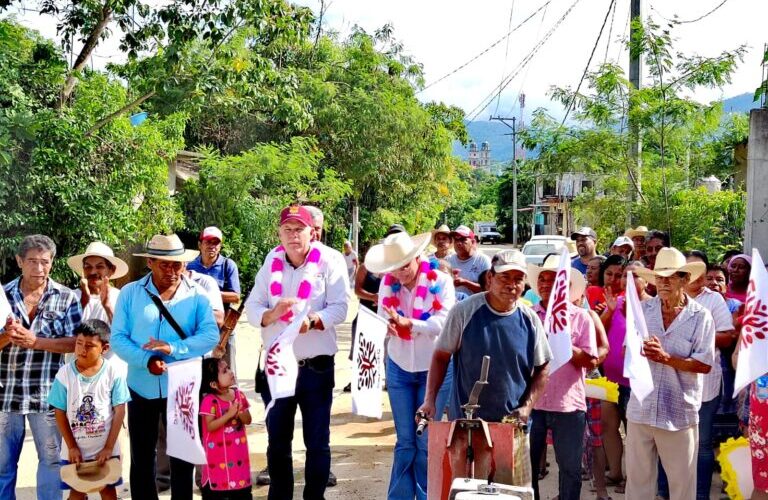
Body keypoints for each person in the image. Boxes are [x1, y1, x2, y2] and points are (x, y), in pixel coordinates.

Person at [419, 249, 553, 487]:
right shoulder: (464, 312)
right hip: (467, 426)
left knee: (512, 491)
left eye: (518, 279)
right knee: (466, 491)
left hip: (512, 426)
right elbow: (440, 357)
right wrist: (430, 400)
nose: (511, 285)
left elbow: (543, 368)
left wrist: (526, 407)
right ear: (490, 278)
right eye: (504, 277)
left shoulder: (530, 319)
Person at [245, 204, 349, 500]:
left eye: (299, 229)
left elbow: (340, 308)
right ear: (279, 233)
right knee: (278, 442)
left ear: (311, 232)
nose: (293, 235)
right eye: (287, 229)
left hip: (315, 368)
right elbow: (252, 307)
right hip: (278, 367)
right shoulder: (271, 260)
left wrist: (312, 321)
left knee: (317, 443)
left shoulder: (330, 260)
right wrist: (270, 314)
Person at [110, 234, 219, 500]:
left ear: (184, 264)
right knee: (142, 457)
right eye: (164, 265)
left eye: (177, 265)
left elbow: (210, 336)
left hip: (182, 387)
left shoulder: (197, 295)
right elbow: (118, 338)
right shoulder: (130, 293)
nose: (171, 271)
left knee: (182, 456)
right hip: (140, 386)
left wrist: (173, 349)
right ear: (150, 262)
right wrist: (146, 360)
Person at [364, 231, 456, 500]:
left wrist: (411, 324)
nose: (400, 273)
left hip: (434, 371)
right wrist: (388, 326)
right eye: (394, 268)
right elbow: (381, 317)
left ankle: (427, 495)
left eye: (405, 266)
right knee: (405, 441)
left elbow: (444, 323)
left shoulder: (441, 281)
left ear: (417, 257)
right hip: (399, 368)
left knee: (425, 441)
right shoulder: (387, 284)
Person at [625, 247, 715, 500]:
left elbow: (704, 364)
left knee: (682, 485)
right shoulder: (643, 310)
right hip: (641, 408)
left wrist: (665, 358)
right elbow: (626, 353)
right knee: (637, 482)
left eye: (671, 276)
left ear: (684, 279)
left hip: (678, 411)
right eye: (659, 277)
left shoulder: (701, 317)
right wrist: (638, 352)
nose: (663, 282)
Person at [0, 234, 82, 500]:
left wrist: (36, 342)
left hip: (47, 394)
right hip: (5, 395)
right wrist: (7, 336)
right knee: (2, 466)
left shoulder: (66, 297)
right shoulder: (3, 296)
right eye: (32, 261)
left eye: (45, 262)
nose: (39, 268)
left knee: (51, 462)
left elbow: (76, 343)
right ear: (19, 261)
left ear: (52, 262)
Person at [656, 251, 736, 500]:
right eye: (690, 271)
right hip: (667, 382)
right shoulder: (661, 299)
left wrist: (699, 339)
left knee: (701, 443)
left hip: (704, 385)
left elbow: (728, 336)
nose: (697, 276)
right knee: (665, 439)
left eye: (700, 271)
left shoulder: (713, 300)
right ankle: (664, 491)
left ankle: (700, 495)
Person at [527, 254, 600, 500]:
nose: (546, 285)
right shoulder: (528, 315)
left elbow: (591, 361)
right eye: (542, 280)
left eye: (553, 280)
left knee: (570, 469)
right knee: (527, 467)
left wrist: (563, 341)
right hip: (532, 404)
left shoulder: (581, 317)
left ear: (565, 286)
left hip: (568, 405)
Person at [48, 319, 130, 500]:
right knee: (76, 493)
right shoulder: (64, 374)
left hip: (105, 451)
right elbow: (59, 412)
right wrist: (72, 447)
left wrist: (109, 448)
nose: (82, 350)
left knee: (108, 493)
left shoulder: (113, 373)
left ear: (104, 348)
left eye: (90, 346)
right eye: (79, 343)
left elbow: (120, 411)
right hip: (76, 451)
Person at [599, 260, 649, 493]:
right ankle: (615, 473)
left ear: (647, 281)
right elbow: (599, 331)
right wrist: (609, 311)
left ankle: (633, 480)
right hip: (611, 379)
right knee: (608, 426)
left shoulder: (653, 306)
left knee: (635, 433)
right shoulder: (616, 302)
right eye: (624, 276)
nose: (627, 280)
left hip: (635, 383)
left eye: (634, 276)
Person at [187, 226, 241, 369]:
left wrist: (209, 293)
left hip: (223, 329)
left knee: (226, 370)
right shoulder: (189, 266)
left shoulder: (228, 265)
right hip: (197, 328)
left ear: (220, 246)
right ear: (199, 245)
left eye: (215, 242)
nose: (212, 246)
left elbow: (236, 297)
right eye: (207, 242)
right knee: (200, 369)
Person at [199, 357, 252, 500]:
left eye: (228, 368)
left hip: (239, 462)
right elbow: (210, 426)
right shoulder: (209, 401)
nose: (230, 372)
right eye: (224, 371)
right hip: (216, 464)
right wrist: (229, 414)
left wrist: (240, 411)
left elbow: (248, 420)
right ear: (213, 384)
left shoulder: (238, 395)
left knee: (242, 494)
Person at [67, 242, 129, 325]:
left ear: (112, 270)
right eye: (88, 267)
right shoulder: (70, 297)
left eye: (100, 267)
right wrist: (83, 302)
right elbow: (64, 329)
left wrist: (107, 306)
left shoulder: (121, 298)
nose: (92, 272)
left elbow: (125, 330)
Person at [447, 225, 491, 296]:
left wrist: (465, 283)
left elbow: (489, 289)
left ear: (473, 242)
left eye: (463, 239)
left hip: (476, 302)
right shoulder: (448, 260)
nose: (459, 243)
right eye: (456, 240)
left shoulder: (483, 260)